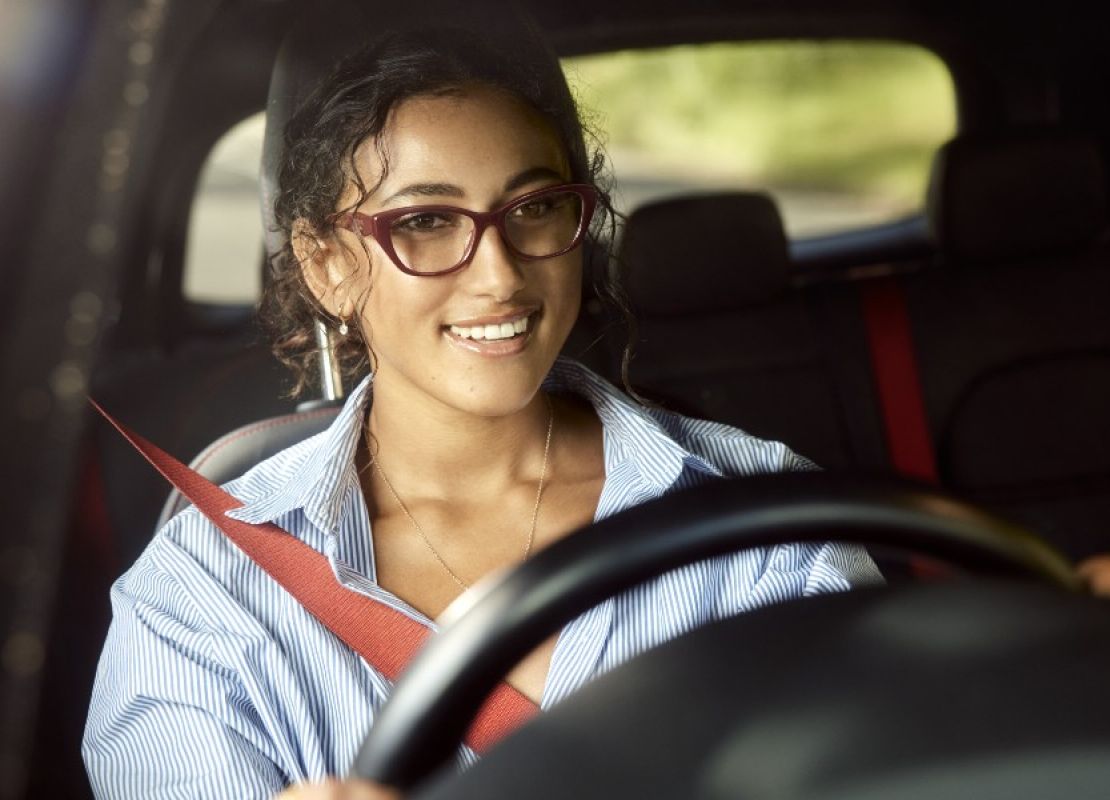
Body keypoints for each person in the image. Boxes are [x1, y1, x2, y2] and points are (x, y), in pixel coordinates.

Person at [80, 24, 881, 799]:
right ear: (325, 265)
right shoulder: (198, 603)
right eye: (424, 223)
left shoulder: (769, 526)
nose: (498, 276)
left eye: (534, 209)